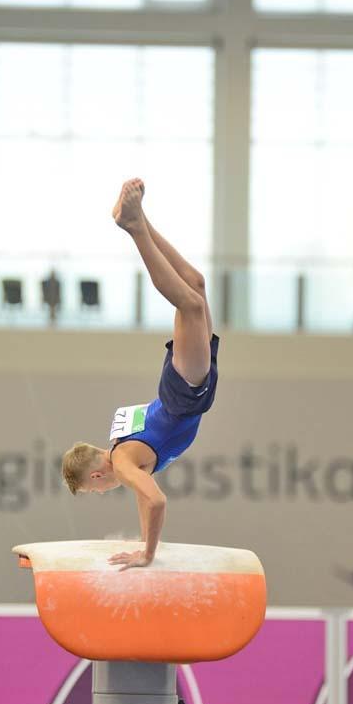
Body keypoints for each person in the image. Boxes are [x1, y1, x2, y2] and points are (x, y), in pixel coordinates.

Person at [62, 179, 219, 571]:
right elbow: (143, 494)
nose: (103, 492)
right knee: (196, 285)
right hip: (174, 392)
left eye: (95, 490)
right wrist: (143, 534)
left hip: (183, 397)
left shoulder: (123, 462)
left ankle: (134, 226)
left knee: (190, 304)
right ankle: (140, 219)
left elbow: (157, 499)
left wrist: (147, 553)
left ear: (96, 475)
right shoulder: (120, 441)